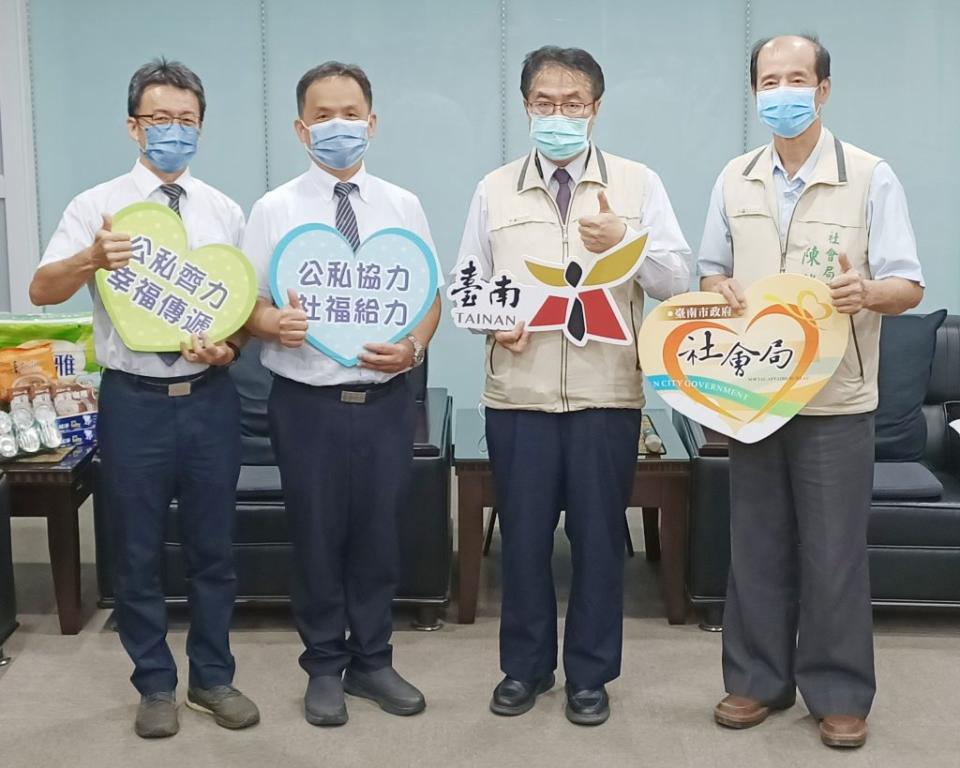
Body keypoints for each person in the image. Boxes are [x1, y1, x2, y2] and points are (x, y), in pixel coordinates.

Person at [698, 34, 924, 749]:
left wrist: (868, 291)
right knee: (756, 546)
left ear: (823, 91)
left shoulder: (869, 175)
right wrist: (720, 289)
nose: (783, 92)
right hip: (755, 395)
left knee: (833, 552)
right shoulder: (735, 178)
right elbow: (710, 272)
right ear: (756, 92)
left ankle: (838, 692)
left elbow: (908, 283)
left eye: (797, 79)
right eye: (770, 80)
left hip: (836, 398)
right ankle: (756, 681)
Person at [457, 45, 690, 726]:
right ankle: (524, 669)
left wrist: (629, 236)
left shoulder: (638, 184)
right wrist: (491, 324)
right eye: (546, 103)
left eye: (574, 103)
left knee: (597, 541)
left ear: (595, 109)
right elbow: (467, 283)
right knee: (525, 540)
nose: (559, 115)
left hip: (606, 396)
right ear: (526, 106)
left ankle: (591, 675)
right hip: (519, 396)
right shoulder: (493, 188)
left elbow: (678, 281)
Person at [29, 59, 259, 739]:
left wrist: (229, 349)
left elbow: (241, 311)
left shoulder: (223, 209)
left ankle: (213, 680)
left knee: (215, 546)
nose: (174, 133)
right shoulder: (96, 208)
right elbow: (43, 290)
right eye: (160, 120)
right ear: (133, 126)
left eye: (186, 121)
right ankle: (154, 683)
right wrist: (92, 259)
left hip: (212, 397)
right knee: (134, 549)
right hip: (133, 400)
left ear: (201, 128)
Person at [243, 61, 442, 727]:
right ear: (301, 128)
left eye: (350, 112)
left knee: (379, 535)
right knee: (317, 536)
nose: (338, 126)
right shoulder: (274, 210)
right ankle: (324, 664)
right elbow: (249, 307)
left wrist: (413, 348)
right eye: (323, 115)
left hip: (385, 402)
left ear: (373, 122)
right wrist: (274, 321)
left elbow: (429, 297)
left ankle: (374, 660)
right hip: (307, 405)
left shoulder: (402, 204)